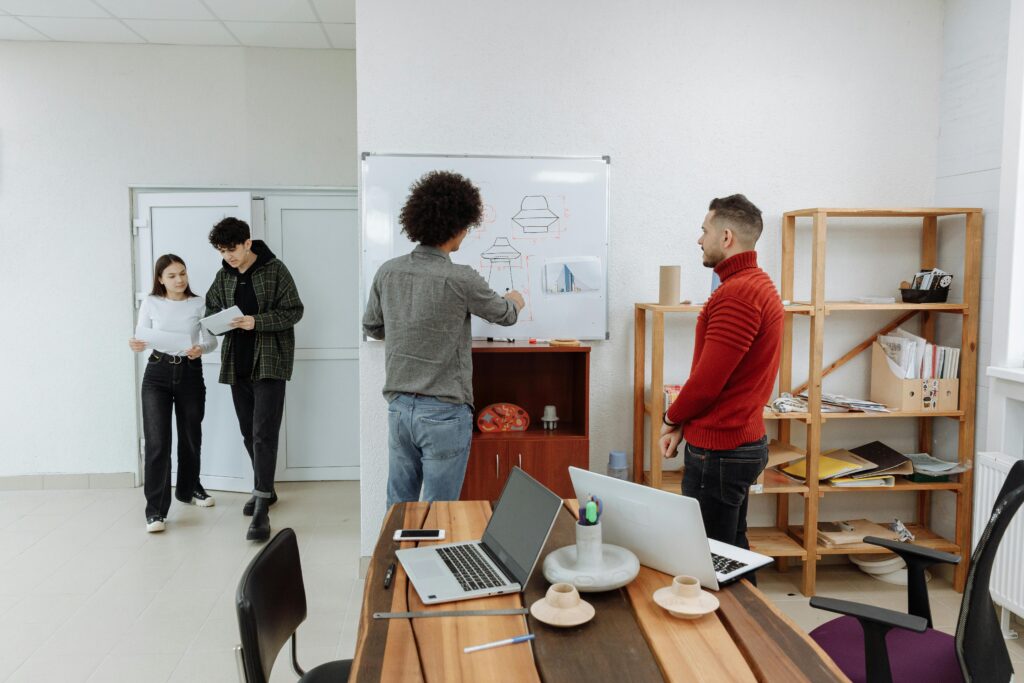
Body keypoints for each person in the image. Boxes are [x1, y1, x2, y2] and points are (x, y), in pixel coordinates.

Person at [363, 170, 525, 508]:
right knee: (440, 511)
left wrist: (408, 326)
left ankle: (395, 562)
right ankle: (429, 562)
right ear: (457, 228)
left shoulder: (387, 271)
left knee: (399, 506)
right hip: (444, 412)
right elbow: (505, 315)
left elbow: (373, 327)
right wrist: (516, 299)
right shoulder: (461, 278)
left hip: (399, 409)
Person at [659, 195, 784, 575]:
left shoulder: (739, 294)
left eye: (705, 230)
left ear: (726, 236)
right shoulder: (753, 285)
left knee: (708, 563)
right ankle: (748, 631)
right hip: (734, 442)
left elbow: (707, 383)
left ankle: (726, 633)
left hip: (721, 450)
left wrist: (671, 416)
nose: (700, 239)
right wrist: (683, 424)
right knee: (733, 553)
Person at [205, 218, 303, 542]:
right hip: (237, 365)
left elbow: (294, 311)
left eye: (231, 249)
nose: (228, 256)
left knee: (264, 433)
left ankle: (261, 505)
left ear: (247, 243)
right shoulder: (223, 276)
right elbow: (210, 311)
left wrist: (256, 322)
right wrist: (217, 322)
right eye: (222, 251)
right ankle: (267, 489)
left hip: (270, 364)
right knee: (249, 432)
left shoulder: (275, 270)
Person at [129, 254, 218, 533]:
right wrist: (136, 345)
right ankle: (155, 511)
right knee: (157, 443)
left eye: (182, 273)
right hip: (157, 373)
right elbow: (141, 336)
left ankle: (189, 489)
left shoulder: (199, 303)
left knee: (191, 437)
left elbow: (211, 340)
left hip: (190, 372)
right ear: (160, 279)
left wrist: (199, 348)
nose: (179, 280)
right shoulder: (151, 303)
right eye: (172, 276)